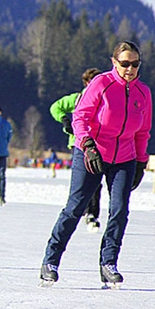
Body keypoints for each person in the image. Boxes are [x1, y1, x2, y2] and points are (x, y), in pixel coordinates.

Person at [40, 41, 152, 287]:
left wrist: (141, 162)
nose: (130, 69)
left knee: (119, 210)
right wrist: (88, 145)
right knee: (76, 207)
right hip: (91, 152)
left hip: (124, 157)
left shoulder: (143, 93)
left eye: (135, 64)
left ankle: (108, 263)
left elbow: (142, 131)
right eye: (125, 64)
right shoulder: (101, 84)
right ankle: (51, 260)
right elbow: (80, 116)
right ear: (114, 63)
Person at [50, 68, 103, 230]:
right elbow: (55, 107)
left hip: (99, 144)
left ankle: (92, 213)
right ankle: (76, 212)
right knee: (81, 182)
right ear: (87, 83)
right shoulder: (77, 99)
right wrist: (65, 120)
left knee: (96, 181)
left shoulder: (105, 99)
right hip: (79, 144)